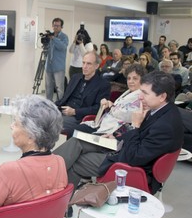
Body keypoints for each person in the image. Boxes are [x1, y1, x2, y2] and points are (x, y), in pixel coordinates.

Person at [53, 71, 183, 197]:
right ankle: (47, 169)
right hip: (125, 148)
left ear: (162, 96)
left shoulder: (165, 125)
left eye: (144, 93)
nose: (140, 97)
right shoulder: (159, 110)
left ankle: (61, 202)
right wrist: (116, 137)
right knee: (77, 141)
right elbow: (142, 138)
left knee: (77, 162)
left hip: (130, 165)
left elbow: (135, 157)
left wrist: (136, 126)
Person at [0, 95, 68, 218]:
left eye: (16, 123)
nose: (11, 126)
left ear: (32, 136)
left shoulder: (9, 171)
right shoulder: (60, 162)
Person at [75, 64, 146, 135]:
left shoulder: (142, 97)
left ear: (142, 80)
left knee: (76, 132)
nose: (131, 81)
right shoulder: (128, 92)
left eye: (135, 78)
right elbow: (118, 109)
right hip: (104, 125)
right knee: (76, 130)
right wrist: (109, 104)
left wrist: (111, 106)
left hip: (114, 132)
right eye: (129, 78)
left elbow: (127, 115)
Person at [55, 52, 110, 137]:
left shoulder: (103, 84)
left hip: (79, 117)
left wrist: (74, 112)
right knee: (39, 115)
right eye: (83, 63)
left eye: (89, 64)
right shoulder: (75, 77)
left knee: (50, 122)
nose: (84, 67)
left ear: (96, 66)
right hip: (63, 110)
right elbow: (64, 98)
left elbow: (97, 109)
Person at [44, 17, 69, 101]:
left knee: (59, 89)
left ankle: (59, 106)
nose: (55, 27)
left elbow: (63, 47)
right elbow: (46, 48)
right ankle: (48, 105)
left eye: (58, 26)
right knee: (48, 88)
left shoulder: (64, 37)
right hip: (49, 66)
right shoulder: (50, 36)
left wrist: (53, 39)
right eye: (54, 25)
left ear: (61, 27)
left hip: (58, 67)